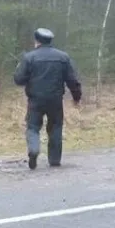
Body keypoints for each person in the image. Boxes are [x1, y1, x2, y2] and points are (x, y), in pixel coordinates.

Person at [13, 28, 82, 170]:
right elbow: (72, 80)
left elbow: (19, 80)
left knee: (32, 127)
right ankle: (55, 160)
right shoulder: (63, 57)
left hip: (35, 100)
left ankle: (34, 149)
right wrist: (76, 97)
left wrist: (19, 68)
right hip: (55, 100)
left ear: (36, 40)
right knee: (56, 127)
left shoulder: (29, 57)